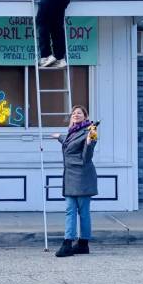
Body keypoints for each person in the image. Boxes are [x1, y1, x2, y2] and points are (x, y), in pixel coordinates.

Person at [52, 105, 98, 257]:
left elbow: (87, 156)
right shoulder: (73, 132)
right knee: (70, 210)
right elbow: (69, 143)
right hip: (71, 176)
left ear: (85, 116)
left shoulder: (89, 132)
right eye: (73, 113)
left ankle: (79, 244)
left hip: (81, 176)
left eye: (79, 113)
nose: (76, 115)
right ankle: (73, 243)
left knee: (83, 212)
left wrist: (91, 141)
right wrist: (59, 136)